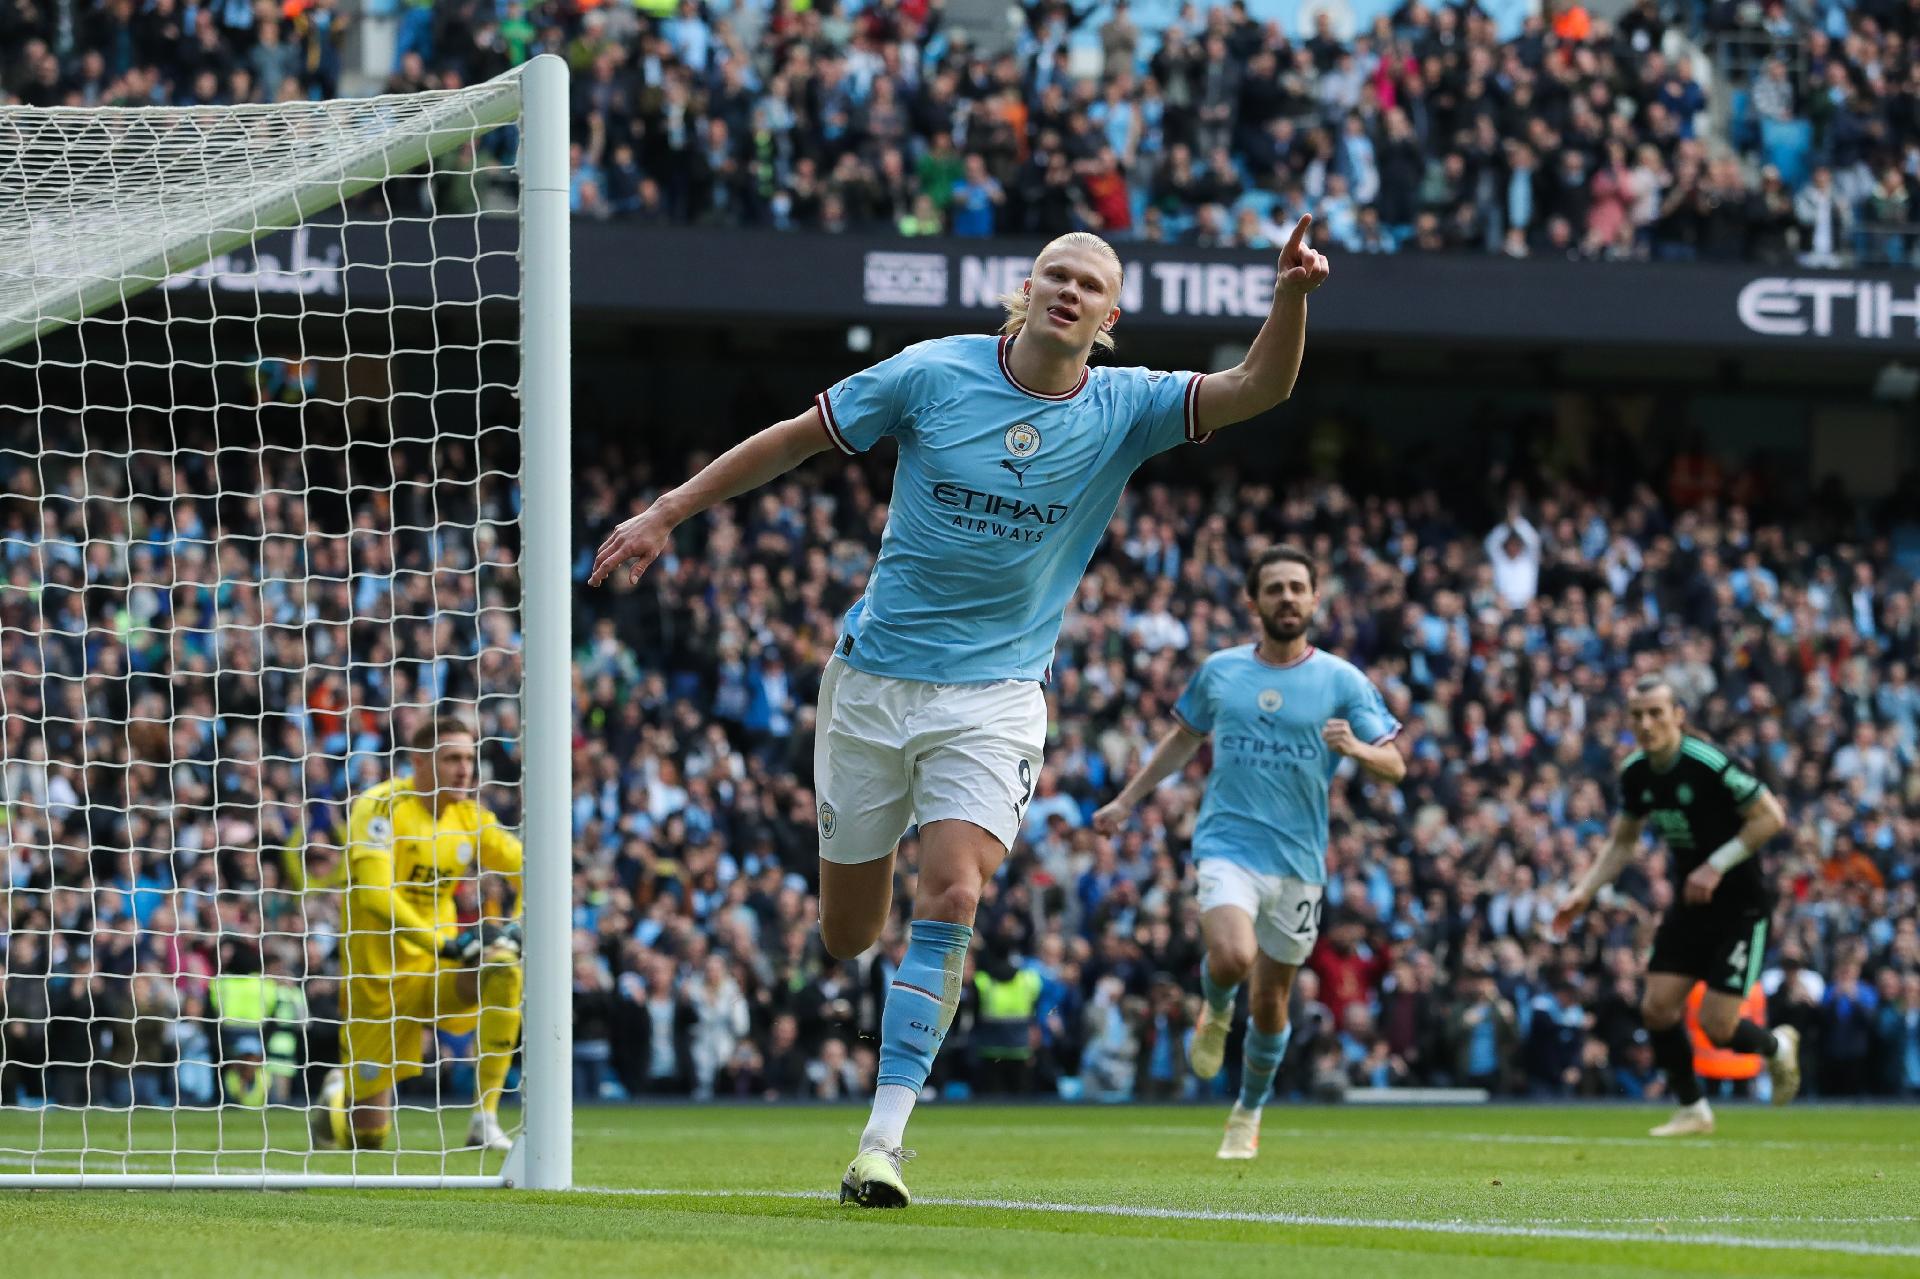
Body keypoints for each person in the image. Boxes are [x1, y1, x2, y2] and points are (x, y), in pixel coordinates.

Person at [589, 220, 1333, 1206]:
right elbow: (791, 441)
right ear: (1024, 292)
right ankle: (873, 944)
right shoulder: (929, 374)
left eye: (1091, 283)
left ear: (1109, 317)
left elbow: (1258, 389)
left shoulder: (1127, 406)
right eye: (1055, 274)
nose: (1070, 290)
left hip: (995, 696)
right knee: (850, 933)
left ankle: (880, 1143)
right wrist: (663, 513)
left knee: (953, 895)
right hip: (873, 683)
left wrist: (1290, 297)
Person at [1093, 545, 1404, 1158]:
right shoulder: (1222, 671)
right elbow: (1181, 741)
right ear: (1253, 600)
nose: (1287, 598)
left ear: (1316, 598)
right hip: (1227, 845)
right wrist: (1128, 801)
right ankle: (1214, 1005)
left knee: (1272, 1000)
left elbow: (1395, 764)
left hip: (1299, 864)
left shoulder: (1342, 680)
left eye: (1297, 587)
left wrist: (1360, 752)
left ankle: (1249, 1110)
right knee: (1233, 958)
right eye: (1276, 588)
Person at [1552, 675, 1800, 1136]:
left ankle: (1776, 1045)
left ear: (1677, 717)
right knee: (1657, 1008)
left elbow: (1771, 817)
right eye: (1637, 715)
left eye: (1656, 713)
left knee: (1718, 1026)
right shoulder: (1636, 772)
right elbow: (1623, 841)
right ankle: (1693, 1109)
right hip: (1692, 904)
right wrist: (1583, 891)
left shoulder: (1708, 762)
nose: (1646, 724)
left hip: (1740, 907)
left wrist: (1715, 865)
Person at [310, 716, 525, 1154]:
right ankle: (341, 1085)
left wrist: (516, 927)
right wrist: (443, 942)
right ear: (420, 762)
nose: (465, 769)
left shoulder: (470, 818)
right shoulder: (381, 807)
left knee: (503, 965)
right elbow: (374, 895)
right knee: (367, 1138)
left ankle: (484, 1118)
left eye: (469, 758)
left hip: (437, 971)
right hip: (378, 982)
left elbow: (533, 869)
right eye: (452, 759)